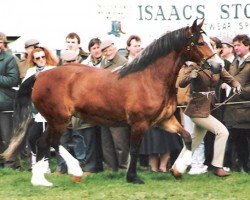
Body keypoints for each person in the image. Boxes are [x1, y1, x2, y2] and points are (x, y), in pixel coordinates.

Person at [176, 56, 241, 177]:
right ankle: (217, 166)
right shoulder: (194, 66)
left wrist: (236, 85)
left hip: (208, 108)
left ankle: (177, 168)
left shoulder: (217, 65)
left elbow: (229, 79)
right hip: (196, 109)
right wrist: (191, 76)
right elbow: (181, 83)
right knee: (222, 132)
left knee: (194, 141)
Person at [23, 46, 58, 172]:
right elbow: (25, 87)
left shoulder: (52, 69)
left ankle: (45, 165)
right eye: (38, 58)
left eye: (43, 57)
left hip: (49, 109)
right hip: (34, 109)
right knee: (32, 137)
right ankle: (36, 161)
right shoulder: (31, 71)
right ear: (34, 60)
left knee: (44, 137)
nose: (41, 60)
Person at [100, 39, 130, 171]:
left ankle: (123, 167)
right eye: (105, 51)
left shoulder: (123, 62)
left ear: (115, 48)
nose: (108, 53)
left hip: (117, 107)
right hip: (103, 106)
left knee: (120, 140)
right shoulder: (103, 63)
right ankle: (111, 168)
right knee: (106, 140)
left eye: (110, 49)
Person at [223, 34, 250, 173]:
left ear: (247, 46)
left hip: (246, 107)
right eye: (234, 45)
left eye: (239, 45)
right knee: (238, 139)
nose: (236, 48)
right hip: (233, 109)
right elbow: (229, 78)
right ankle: (243, 166)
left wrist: (239, 90)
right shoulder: (234, 63)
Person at [176, 62, 208, 175]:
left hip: (193, 104)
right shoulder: (182, 67)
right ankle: (191, 163)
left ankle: (198, 164)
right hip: (182, 106)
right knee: (187, 136)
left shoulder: (196, 66)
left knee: (196, 136)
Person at [0, 32, 20, 169]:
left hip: (5, 102)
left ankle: (11, 164)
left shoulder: (9, 59)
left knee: (8, 136)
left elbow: (13, 79)